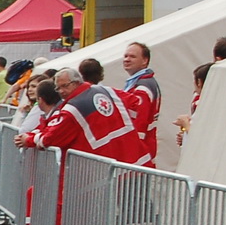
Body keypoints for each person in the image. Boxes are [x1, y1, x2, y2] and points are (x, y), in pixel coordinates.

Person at [14, 67, 149, 164]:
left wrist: (29, 139)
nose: (60, 91)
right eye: (57, 88)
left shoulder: (72, 109)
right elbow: (136, 105)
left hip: (103, 167)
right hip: (134, 159)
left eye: (64, 86)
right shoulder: (105, 90)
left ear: (76, 83)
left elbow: (50, 137)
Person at [118, 41, 162, 168]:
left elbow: (140, 121)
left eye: (132, 56)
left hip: (139, 152)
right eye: (125, 56)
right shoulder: (139, 83)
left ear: (145, 61)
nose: (127, 59)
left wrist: (133, 148)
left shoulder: (143, 87)